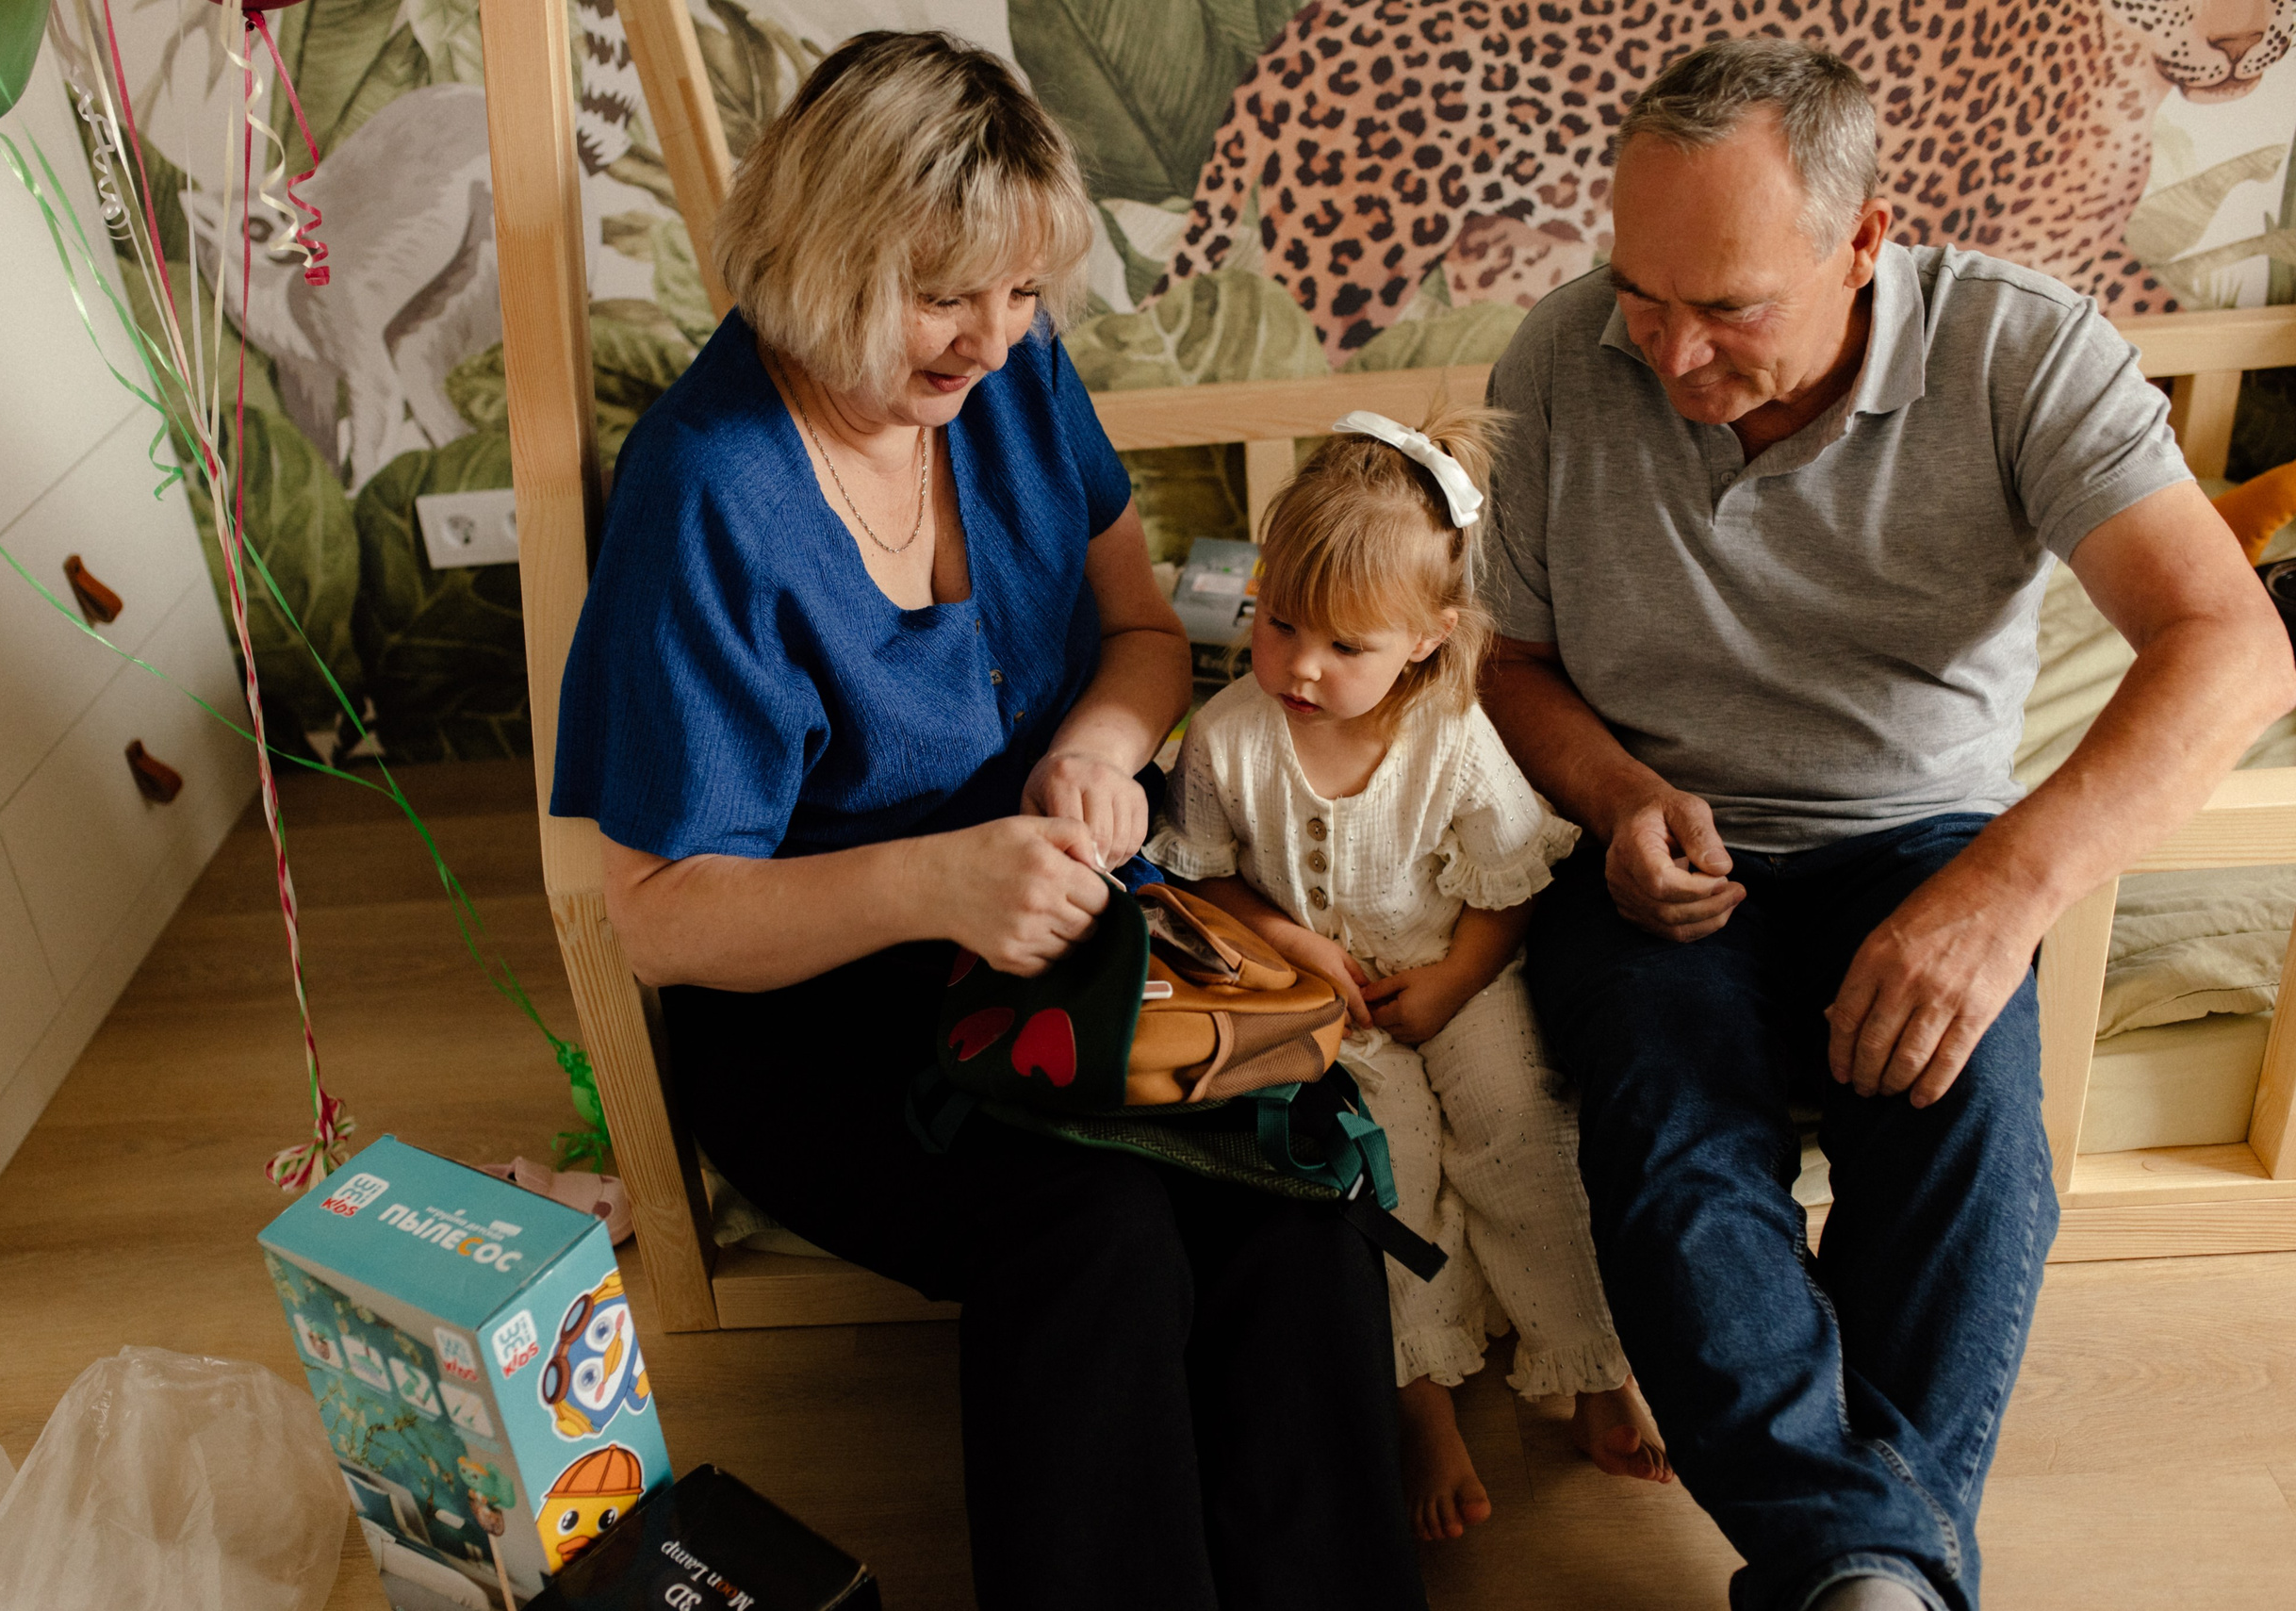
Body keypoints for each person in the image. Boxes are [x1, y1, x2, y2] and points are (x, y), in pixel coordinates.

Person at [549, 31, 1429, 1611]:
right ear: (824, 257)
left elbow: (1143, 632)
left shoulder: (1014, 381)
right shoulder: (709, 488)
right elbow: (660, 912)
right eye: (947, 294)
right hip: (817, 1001)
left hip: (1060, 925)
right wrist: (938, 884)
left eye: (1021, 289)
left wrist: (1096, 752)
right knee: (1095, 1225)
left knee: (1287, 1182)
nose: (995, 335)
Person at [1483, 37, 2296, 1611]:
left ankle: (1851, 1570)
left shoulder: (2019, 352)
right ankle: (1881, 1574)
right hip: (1661, 857)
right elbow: (1510, 667)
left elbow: (2236, 647)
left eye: (1729, 308)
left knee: (1974, 1142)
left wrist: (2007, 890)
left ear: (1863, 244)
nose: (1670, 352)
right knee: (1671, 1137)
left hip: (1922, 840)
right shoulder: (1560, 361)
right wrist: (1617, 794)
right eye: (1641, 294)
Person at [1150, 402, 1669, 1545]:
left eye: (1346, 647)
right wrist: (1290, 941)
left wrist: (1455, 979)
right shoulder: (1228, 736)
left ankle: (1588, 1363)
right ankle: (1422, 1394)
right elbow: (1201, 877)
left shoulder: (1455, 737)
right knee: (1390, 1179)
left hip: (1461, 974)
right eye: (1280, 623)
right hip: (1330, 1007)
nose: (1299, 665)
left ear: (1428, 638)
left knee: (1519, 1137)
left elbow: (1513, 882)